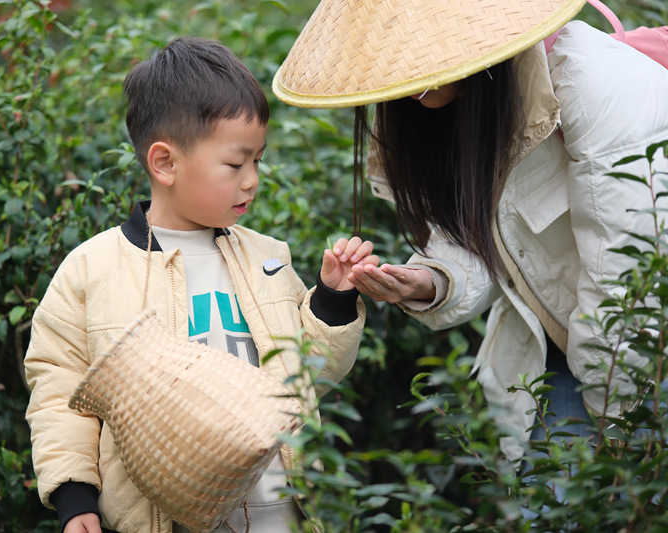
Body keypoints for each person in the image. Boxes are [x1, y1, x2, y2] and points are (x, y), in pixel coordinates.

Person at [273, 0, 668, 459]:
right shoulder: (444, 100)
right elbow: (487, 236)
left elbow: (626, 277)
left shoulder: (595, 83)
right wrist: (429, 280)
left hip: (639, 353)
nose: (406, 65)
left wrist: (619, 429)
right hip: (565, 341)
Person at [25, 36, 377, 533]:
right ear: (165, 163)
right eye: (235, 164)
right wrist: (75, 497)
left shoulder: (267, 258)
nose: (252, 180)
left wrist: (333, 300)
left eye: (257, 161)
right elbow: (59, 390)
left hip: (283, 513)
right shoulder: (94, 269)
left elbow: (309, 376)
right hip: (164, 519)